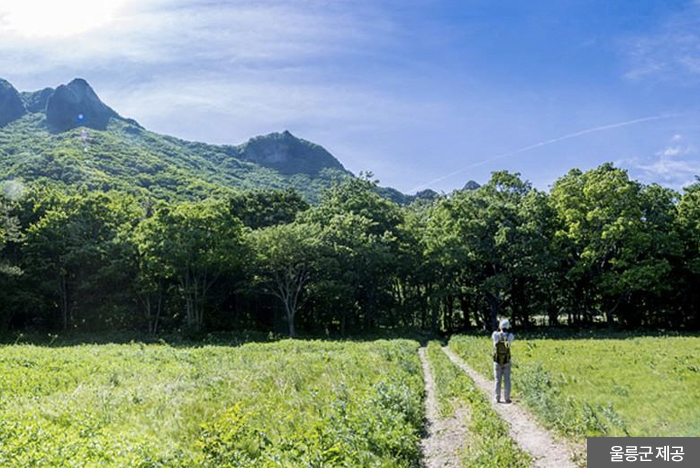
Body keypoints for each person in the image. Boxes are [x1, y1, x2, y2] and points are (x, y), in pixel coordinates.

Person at [492, 318, 514, 403]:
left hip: (497, 360)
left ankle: (497, 398)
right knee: (507, 380)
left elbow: (494, 343)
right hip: (506, 360)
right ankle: (507, 398)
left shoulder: (495, 335)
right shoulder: (510, 336)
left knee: (497, 380)